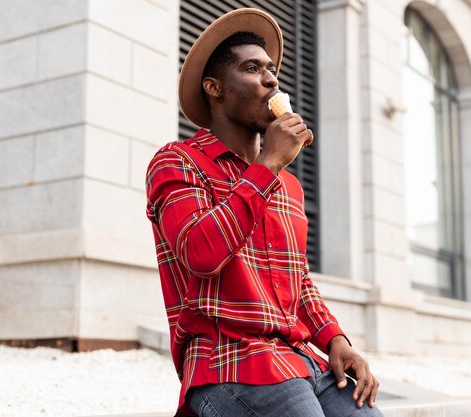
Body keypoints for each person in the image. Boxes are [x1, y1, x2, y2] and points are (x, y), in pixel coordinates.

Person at [146, 8, 383, 417]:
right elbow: (200, 254)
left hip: (304, 360)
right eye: (252, 68)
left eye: (272, 70)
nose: (271, 79)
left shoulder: (287, 184)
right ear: (215, 88)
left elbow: (298, 279)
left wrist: (335, 339)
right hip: (229, 364)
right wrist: (269, 164)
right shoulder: (177, 161)